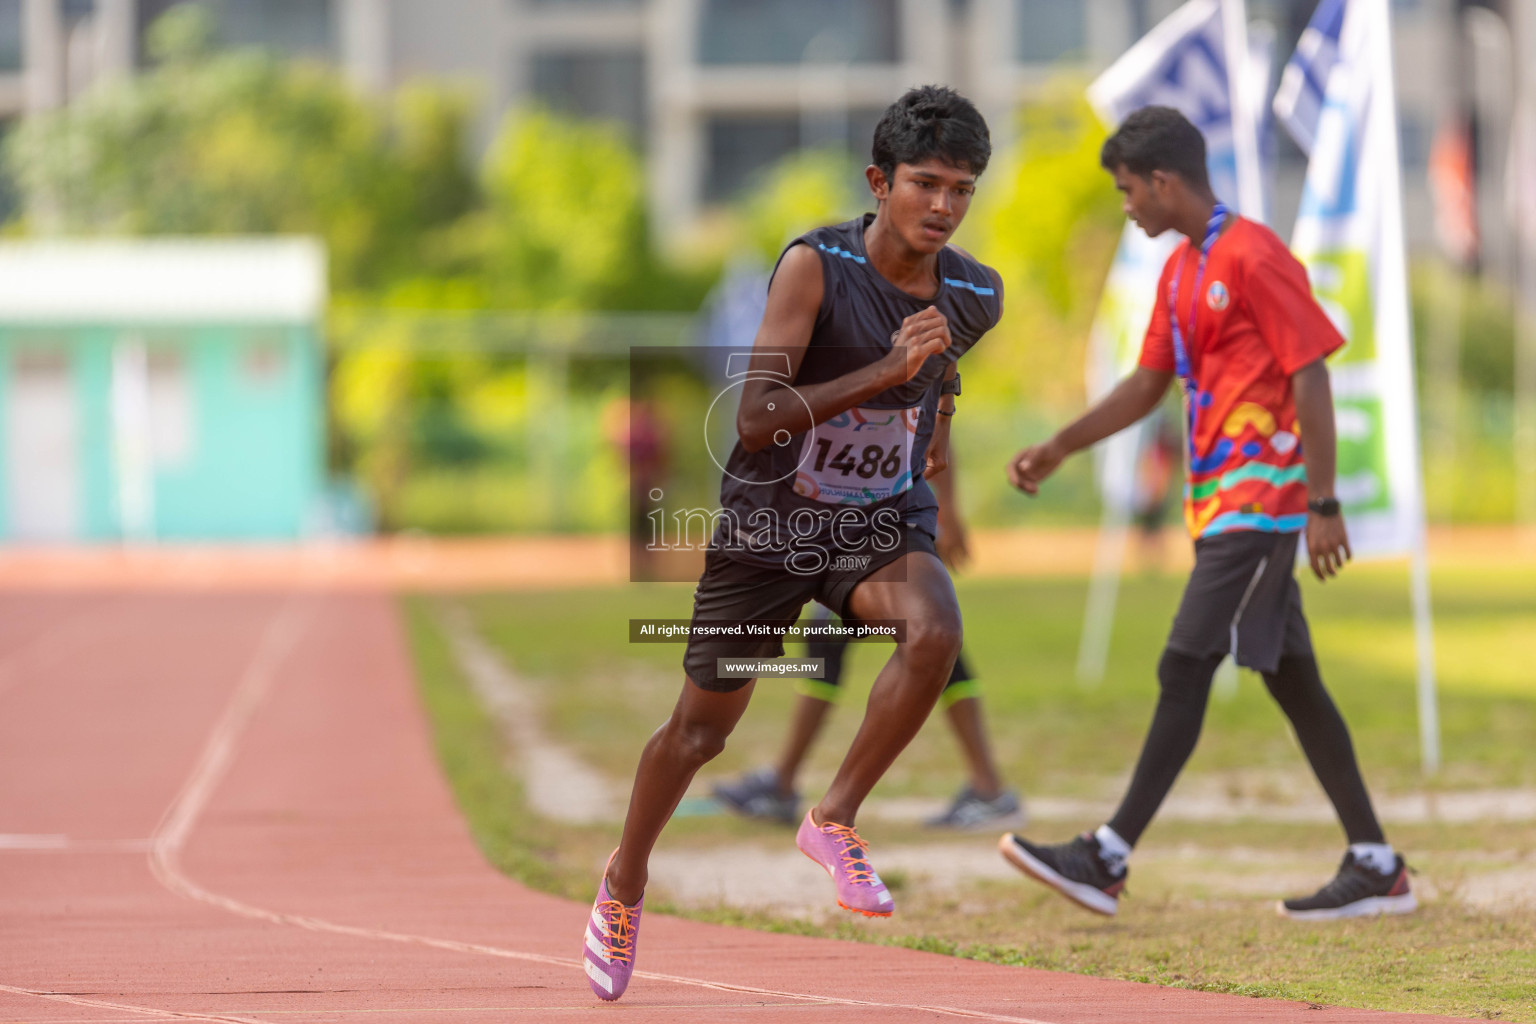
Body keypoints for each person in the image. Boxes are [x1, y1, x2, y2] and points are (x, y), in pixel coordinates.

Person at [583, 85, 1003, 1002]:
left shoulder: (977, 293)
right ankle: (625, 882)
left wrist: (937, 455)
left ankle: (833, 817)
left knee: (932, 632)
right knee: (699, 732)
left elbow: (940, 391)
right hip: (772, 520)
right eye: (925, 183)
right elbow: (754, 420)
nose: (943, 206)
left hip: (880, 516)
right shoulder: (816, 267)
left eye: (962, 190)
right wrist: (885, 370)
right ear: (878, 181)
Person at [998, 106, 1413, 922]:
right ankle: (1376, 862)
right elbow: (1146, 384)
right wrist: (1059, 446)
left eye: (1127, 191)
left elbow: (1312, 374)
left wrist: (1323, 503)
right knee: (1293, 679)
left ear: (1164, 181)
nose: (1126, 206)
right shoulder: (1181, 270)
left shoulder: (1255, 254)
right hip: (1218, 508)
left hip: (1263, 506)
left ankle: (1108, 855)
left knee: (1186, 662)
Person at [711, 458, 1022, 830]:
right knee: (930, 645)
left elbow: (939, 427)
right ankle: (988, 789)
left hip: (886, 526)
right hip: (857, 524)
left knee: (917, 642)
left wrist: (950, 511)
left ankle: (783, 785)